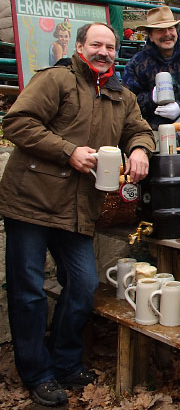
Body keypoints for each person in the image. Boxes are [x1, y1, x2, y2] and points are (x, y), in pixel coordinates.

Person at [0, 22, 154, 407]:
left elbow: (142, 130)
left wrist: (139, 149)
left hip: (78, 208)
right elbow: (16, 123)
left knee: (84, 287)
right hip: (31, 200)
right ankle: (37, 373)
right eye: (96, 44)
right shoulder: (56, 80)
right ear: (80, 46)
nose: (104, 52)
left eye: (110, 46)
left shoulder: (122, 95)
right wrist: (67, 149)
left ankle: (65, 362)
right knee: (29, 293)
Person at [123, 6, 180, 129]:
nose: (167, 34)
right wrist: (150, 98)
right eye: (160, 30)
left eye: (170, 28)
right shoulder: (138, 63)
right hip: (153, 129)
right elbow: (127, 101)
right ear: (150, 35)